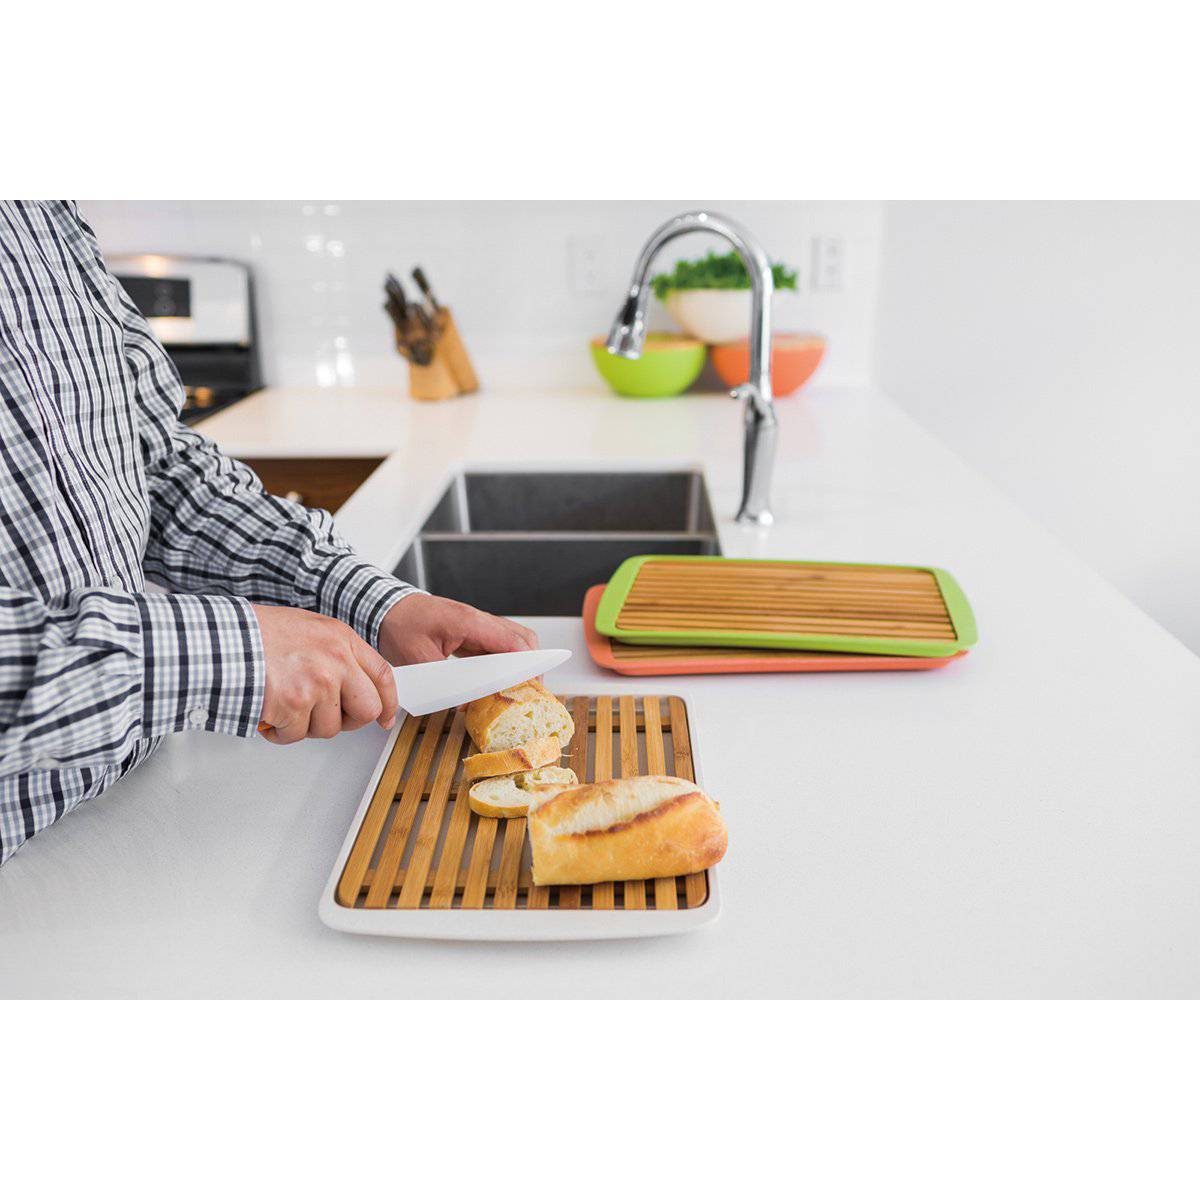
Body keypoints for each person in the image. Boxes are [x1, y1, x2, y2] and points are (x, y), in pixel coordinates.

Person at [0, 201, 535, 865]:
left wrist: (368, 600)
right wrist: (228, 655)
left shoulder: (35, 207)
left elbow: (156, 467)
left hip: (131, 825)